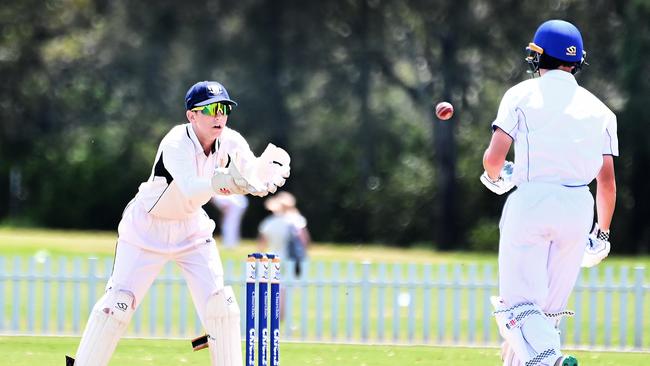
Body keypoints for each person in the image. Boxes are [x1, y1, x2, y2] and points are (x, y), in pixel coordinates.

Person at [66, 80, 290, 366]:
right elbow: (190, 187)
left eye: (224, 108)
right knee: (116, 307)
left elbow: (249, 172)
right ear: (191, 115)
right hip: (146, 228)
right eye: (210, 109)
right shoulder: (175, 142)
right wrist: (224, 183)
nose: (219, 115)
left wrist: (262, 175)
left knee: (221, 307)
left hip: (192, 229)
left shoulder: (231, 141)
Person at [480, 20, 617, 366]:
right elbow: (606, 182)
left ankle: (552, 361)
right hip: (578, 208)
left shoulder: (521, 94)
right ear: (577, 61)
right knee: (546, 314)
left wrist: (500, 177)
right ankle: (542, 357)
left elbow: (493, 160)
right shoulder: (601, 110)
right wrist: (601, 234)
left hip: (532, 203)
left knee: (514, 309)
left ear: (537, 57)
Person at [258, 191, 310, 278]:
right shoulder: (296, 220)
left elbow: (262, 243)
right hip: (291, 257)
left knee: (275, 285)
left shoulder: (269, 222)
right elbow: (304, 240)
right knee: (288, 286)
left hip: (273, 257)